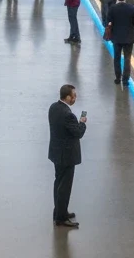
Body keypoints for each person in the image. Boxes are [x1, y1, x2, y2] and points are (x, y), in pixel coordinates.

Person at [48, 84, 87, 228]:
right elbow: (78, 133)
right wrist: (82, 123)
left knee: (58, 183)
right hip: (67, 156)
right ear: (67, 97)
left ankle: (59, 211)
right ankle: (61, 218)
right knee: (65, 187)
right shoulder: (68, 114)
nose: (75, 98)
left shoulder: (53, 108)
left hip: (56, 153)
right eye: (74, 96)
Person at [108, 0, 134, 86]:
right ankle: (125, 80)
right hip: (128, 38)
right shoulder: (131, 8)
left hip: (116, 38)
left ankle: (118, 78)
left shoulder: (112, 8)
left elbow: (109, 21)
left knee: (116, 58)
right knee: (127, 58)